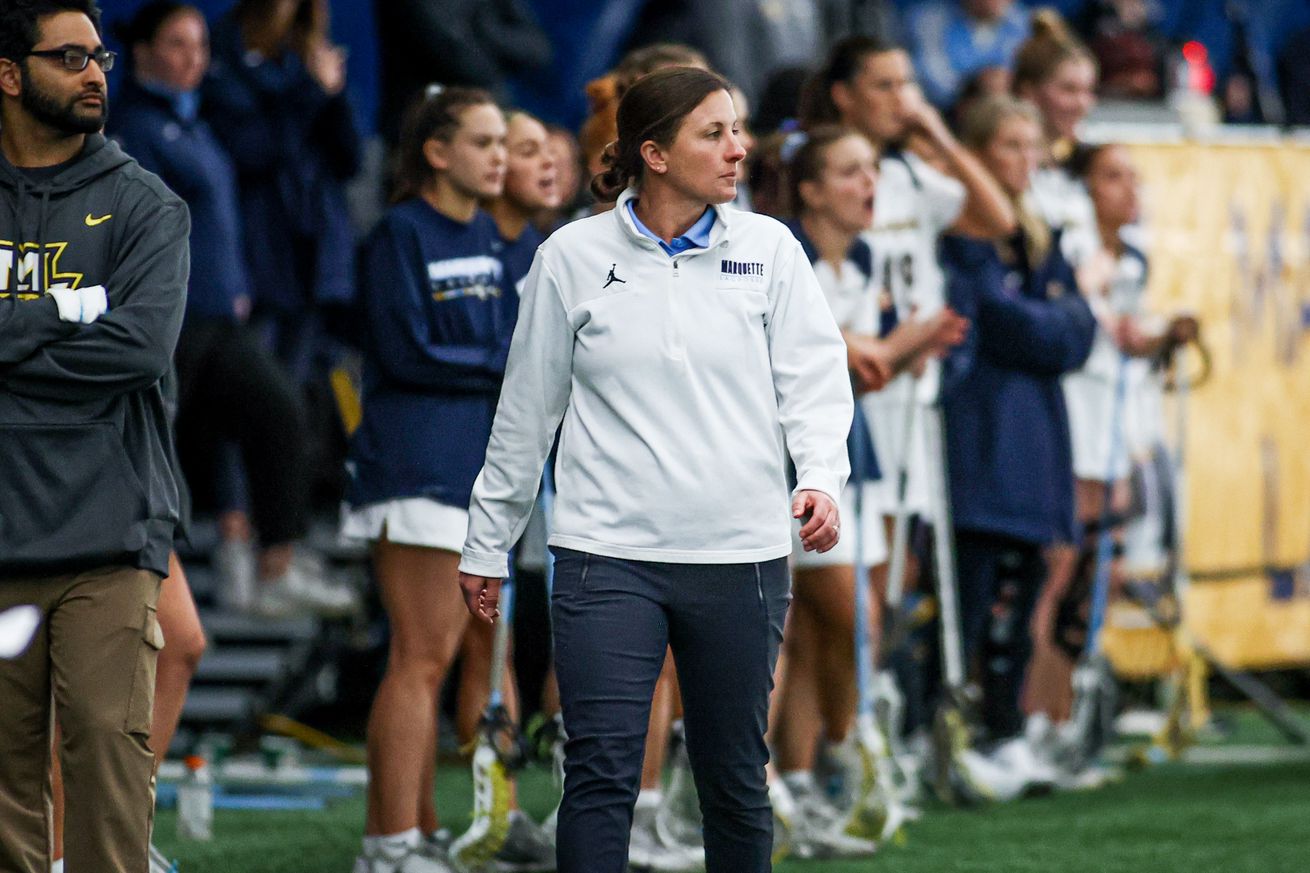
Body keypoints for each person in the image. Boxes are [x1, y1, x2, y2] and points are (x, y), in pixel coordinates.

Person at [457, 67, 853, 873]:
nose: (740, 149)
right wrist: (486, 542)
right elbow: (526, 412)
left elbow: (815, 381)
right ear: (655, 154)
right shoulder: (569, 256)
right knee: (598, 776)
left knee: (735, 782)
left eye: (738, 129)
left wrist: (818, 476)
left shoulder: (772, 249)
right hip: (606, 557)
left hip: (741, 554)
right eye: (715, 133)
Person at [0, 1, 190, 871]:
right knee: (2, 785)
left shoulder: (146, 205)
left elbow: (139, 348)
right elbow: (97, 345)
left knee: (109, 765)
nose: (94, 74)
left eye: (101, 57)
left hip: (110, 533)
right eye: (69, 57)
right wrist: (63, 314)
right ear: (9, 74)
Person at [109, 0, 351, 618]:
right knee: (149, 452)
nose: (193, 60)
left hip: (220, 314)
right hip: (170, 323)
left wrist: (237, 283)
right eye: (176, 45)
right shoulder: (133, 127)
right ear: (141, 52)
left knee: (279, 412)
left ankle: (275, 566)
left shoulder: (194, 122)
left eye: (199, 47)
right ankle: (132, 573)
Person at [764, 125, 966, 858]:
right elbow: (855, 359)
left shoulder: (873, 256)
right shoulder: (780, 252)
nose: (868, 184)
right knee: (797, 620)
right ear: (809, 188)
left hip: (851, 451)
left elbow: (874, 361)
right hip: (781, 458)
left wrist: (902, 346)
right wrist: (899, 344)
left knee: (840, 624)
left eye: (871, 170)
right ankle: (765, 783)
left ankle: (808, 779)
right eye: (848, 172)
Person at [800, 36, 1010, 736]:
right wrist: (894, 345)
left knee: (891, 582)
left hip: (908, 395)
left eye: (908, 84)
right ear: (844, 94)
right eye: (885, 86)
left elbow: (1000, 220)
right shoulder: (816, 174)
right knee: (842, 593)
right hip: (858, 384)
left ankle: (864, 729)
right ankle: (842, 743)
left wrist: (934, 129)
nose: (902, 100)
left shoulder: (913, 176)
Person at [340, 86, 515, 873]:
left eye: (502, 142)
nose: (500, 156)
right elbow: (405, 352)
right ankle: (387, 846)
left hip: (470, 469)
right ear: (437, 153)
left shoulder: (484, 229)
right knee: (418, 655)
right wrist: (501, 368)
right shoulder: (398, 235)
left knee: (439, 659)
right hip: (413, 465)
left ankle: (419, 830)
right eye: (483, 142)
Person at [938, 95, 1095, 758]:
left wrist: (1043, 320)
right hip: (981, 432)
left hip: (1033, 433)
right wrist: (1043, 319)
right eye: (1009, 147)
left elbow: (1075, 331)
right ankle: (948, 728)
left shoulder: (1039, 235)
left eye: (1033, 148)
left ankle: (1003, 730)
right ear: (974, 156)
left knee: (1026, 581)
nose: (1025, 162)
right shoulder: (956, 238)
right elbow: (1002, 323)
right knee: (970, 594)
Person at [904, 0, 1031, 109]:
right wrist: (974, 86)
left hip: (1011, 112)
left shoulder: (1024, 22)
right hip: (951, 115)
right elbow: (932, 81)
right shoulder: (931, 19)